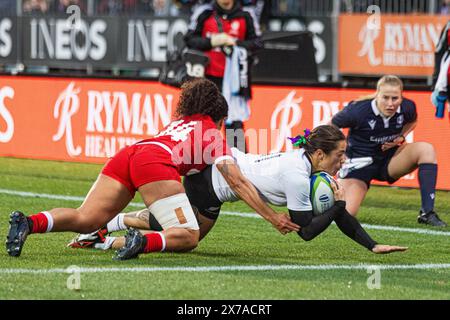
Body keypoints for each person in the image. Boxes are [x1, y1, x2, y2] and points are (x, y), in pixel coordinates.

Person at [6, 78, 299, 259]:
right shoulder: (211, 133)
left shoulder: (178, 124)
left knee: (86, 219)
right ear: (218, 117)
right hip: (154, 163)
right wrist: (273, 217)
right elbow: (237, 182)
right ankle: (139, 241)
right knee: (187, 235)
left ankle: (28, 222)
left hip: (130, 154)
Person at [70, 125, 407, 255]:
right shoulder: (296, 174)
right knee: (176, 234)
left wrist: (372, 245)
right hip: (210, 180)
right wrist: (337, 205)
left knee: (180, 237)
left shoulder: (308, 168)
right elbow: (305, 231)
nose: (343, 160)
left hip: (217, 179)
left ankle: (102, 235)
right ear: (319, 154)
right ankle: (105, 231)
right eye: (339, 154)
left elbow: (335, 213)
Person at [331, 75, 447, 227]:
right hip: (359, 165)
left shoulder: (407, 106)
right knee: (346, 215)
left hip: (390, 160)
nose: (390, 104)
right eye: (385, 98)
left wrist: (401, 137)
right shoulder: (358, 110)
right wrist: (340, 153)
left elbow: (413, 121)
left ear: (401, 97)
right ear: (377, 94)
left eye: (395, 98)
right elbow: (330, 127)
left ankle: (427, 213)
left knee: (426, 150)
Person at [184, 0, 262, 152]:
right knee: (204, 124)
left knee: (235, 125)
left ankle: (240, 163)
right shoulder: (204, 12)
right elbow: (189, 40)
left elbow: (257, 43)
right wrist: (213, 41)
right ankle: (200, 167)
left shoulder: (247, 15)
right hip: (208, 79)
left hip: (235, 82)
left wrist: (235, 43)